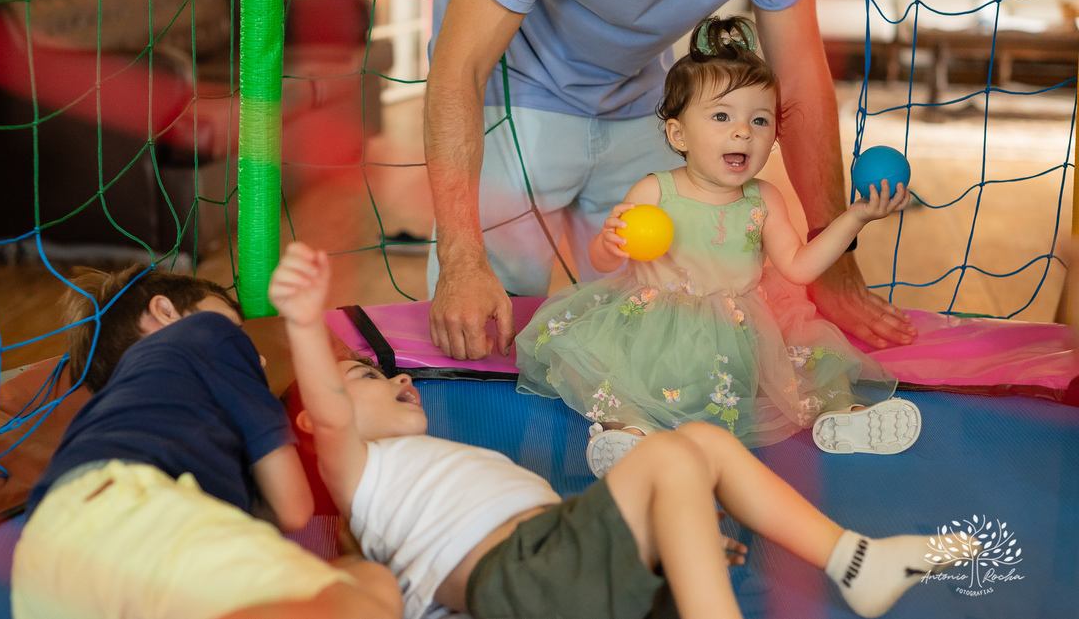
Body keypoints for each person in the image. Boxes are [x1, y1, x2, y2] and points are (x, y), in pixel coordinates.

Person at [424, 0, 919, 363]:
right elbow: (459, 65)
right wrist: (461, 260)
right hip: (513, 90)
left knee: (657, 332)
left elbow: (798, 74)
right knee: (484, 333)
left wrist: (836, 259)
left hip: (643, 95)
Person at [271, 240, 946, 619]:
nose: (399, 379)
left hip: (573, 575)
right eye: (365, 375)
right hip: (520, 578)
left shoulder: (438, 462)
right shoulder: (359, 475)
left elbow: (564, 532)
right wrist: (304, 323)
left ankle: (853, 559)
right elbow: (330, 414)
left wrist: (668, 533)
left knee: (701, 448)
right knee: (670, 457)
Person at [514, 16, 919, 476]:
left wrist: (854, 217)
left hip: (741, 336)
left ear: (774, 137)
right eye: (722, 116)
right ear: (678, 134)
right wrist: (610, 244)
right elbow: (603, 261)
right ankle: (627, 432)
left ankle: (844, 417)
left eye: (759, 119)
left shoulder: (764, 199)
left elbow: (800, 267)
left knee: (814, 361)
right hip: (656, 333)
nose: (743, 131)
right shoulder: (654, 190)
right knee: (603, 372)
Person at [11, 265, 401, 619]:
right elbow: (294, 510)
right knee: (373, 591)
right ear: (165, 311)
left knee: (358, 581)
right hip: (135, 513)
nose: (260, 359)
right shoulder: (208, 333)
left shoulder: (126, 409)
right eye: (239, 331)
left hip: (39, 561)